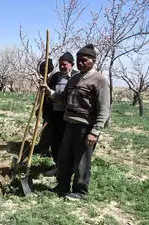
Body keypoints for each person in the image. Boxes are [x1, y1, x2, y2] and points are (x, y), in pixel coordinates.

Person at [43, 44, 110, 200]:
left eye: (84, 60)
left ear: (93, 61)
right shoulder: (74, 78)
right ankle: (62, 185)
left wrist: (95, 132)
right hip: (70, 125)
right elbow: (63, 98)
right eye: (78, 60)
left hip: (86, 128)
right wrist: (49, 92)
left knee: (81, 161)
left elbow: (104, 109)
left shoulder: (99, 80)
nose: (80, 63)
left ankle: (80, 191)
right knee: (63, 158)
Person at [42, 52, 79, 177]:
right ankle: (57, 166)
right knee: (55, 142)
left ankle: (69, 168)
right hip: (54, 114)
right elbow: (47, 95)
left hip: (68, 116)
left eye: (65, 64)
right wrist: (43, 109)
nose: (62, 67)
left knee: (67, 144)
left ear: (71, 64)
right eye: (60, 64)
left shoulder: (76, 77)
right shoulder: (55, 76)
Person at [33, 59, 54, 157]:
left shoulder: (53, 78)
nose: (41, 71)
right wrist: (39, 108)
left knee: (48, 128)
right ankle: (42, 145)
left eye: (43, 69)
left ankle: (44, 147)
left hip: (53, 108)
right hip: (46, 108)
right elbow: (41, 95)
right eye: (40, 69)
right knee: (45, 127)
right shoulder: (44, 79)